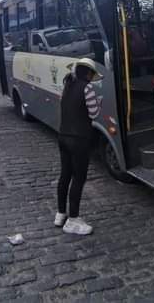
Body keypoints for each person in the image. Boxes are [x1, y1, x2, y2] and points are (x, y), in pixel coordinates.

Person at [55, 58, 103, 235]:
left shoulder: (67, 85)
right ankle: (73, 220)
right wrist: (99, 102)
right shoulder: (87, 87)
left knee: (65, 175)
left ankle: (60, 214)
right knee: (78, 178)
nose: (92, 77)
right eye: (92, 74)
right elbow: (94, 113)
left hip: (63, 136)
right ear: (88, 73)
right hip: (80, 139)